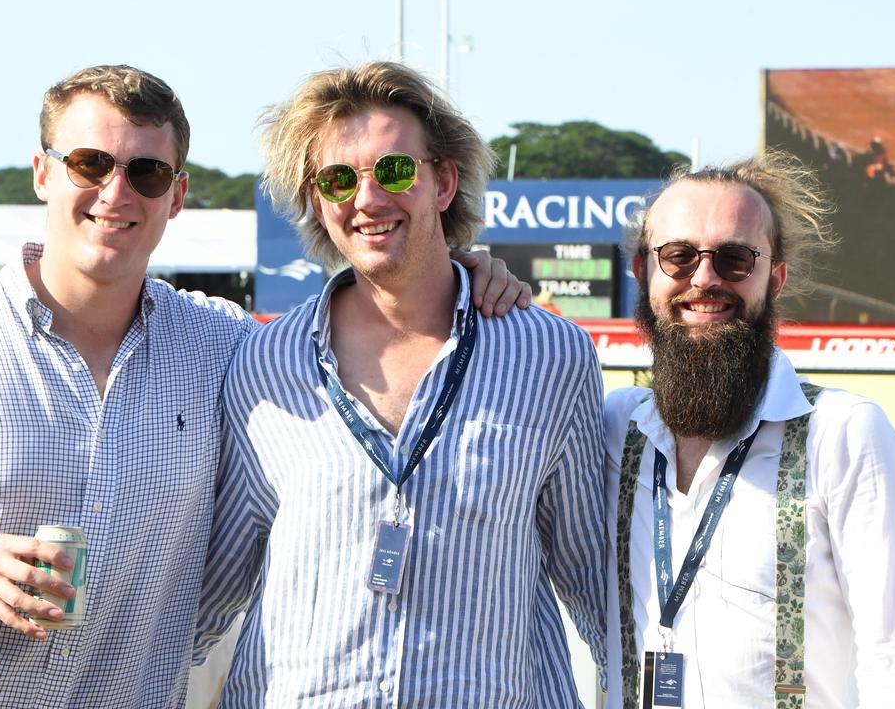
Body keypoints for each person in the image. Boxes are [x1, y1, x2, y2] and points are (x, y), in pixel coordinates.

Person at [0, 63, 529, 707]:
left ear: (176, 194)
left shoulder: (225, 347)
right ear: (44, 172)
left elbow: (373, 318)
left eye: (146, 171)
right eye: (89, 164)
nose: (116, 190)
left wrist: (466, 272)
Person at [196, 61, 607, 707]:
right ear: (314, 199)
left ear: (443, 181)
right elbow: (210, 590)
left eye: (393, 170)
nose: (366, 199)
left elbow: (596, 579)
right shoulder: (263, 363)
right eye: (337, 179)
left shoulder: (550, 357)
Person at [603, 152, 895, 708]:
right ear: (644, 272)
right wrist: (475, 278)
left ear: (775, 278)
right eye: (679, 256)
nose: (705, 279)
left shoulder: (844, 433)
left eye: (735, 259)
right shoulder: (616, 428)